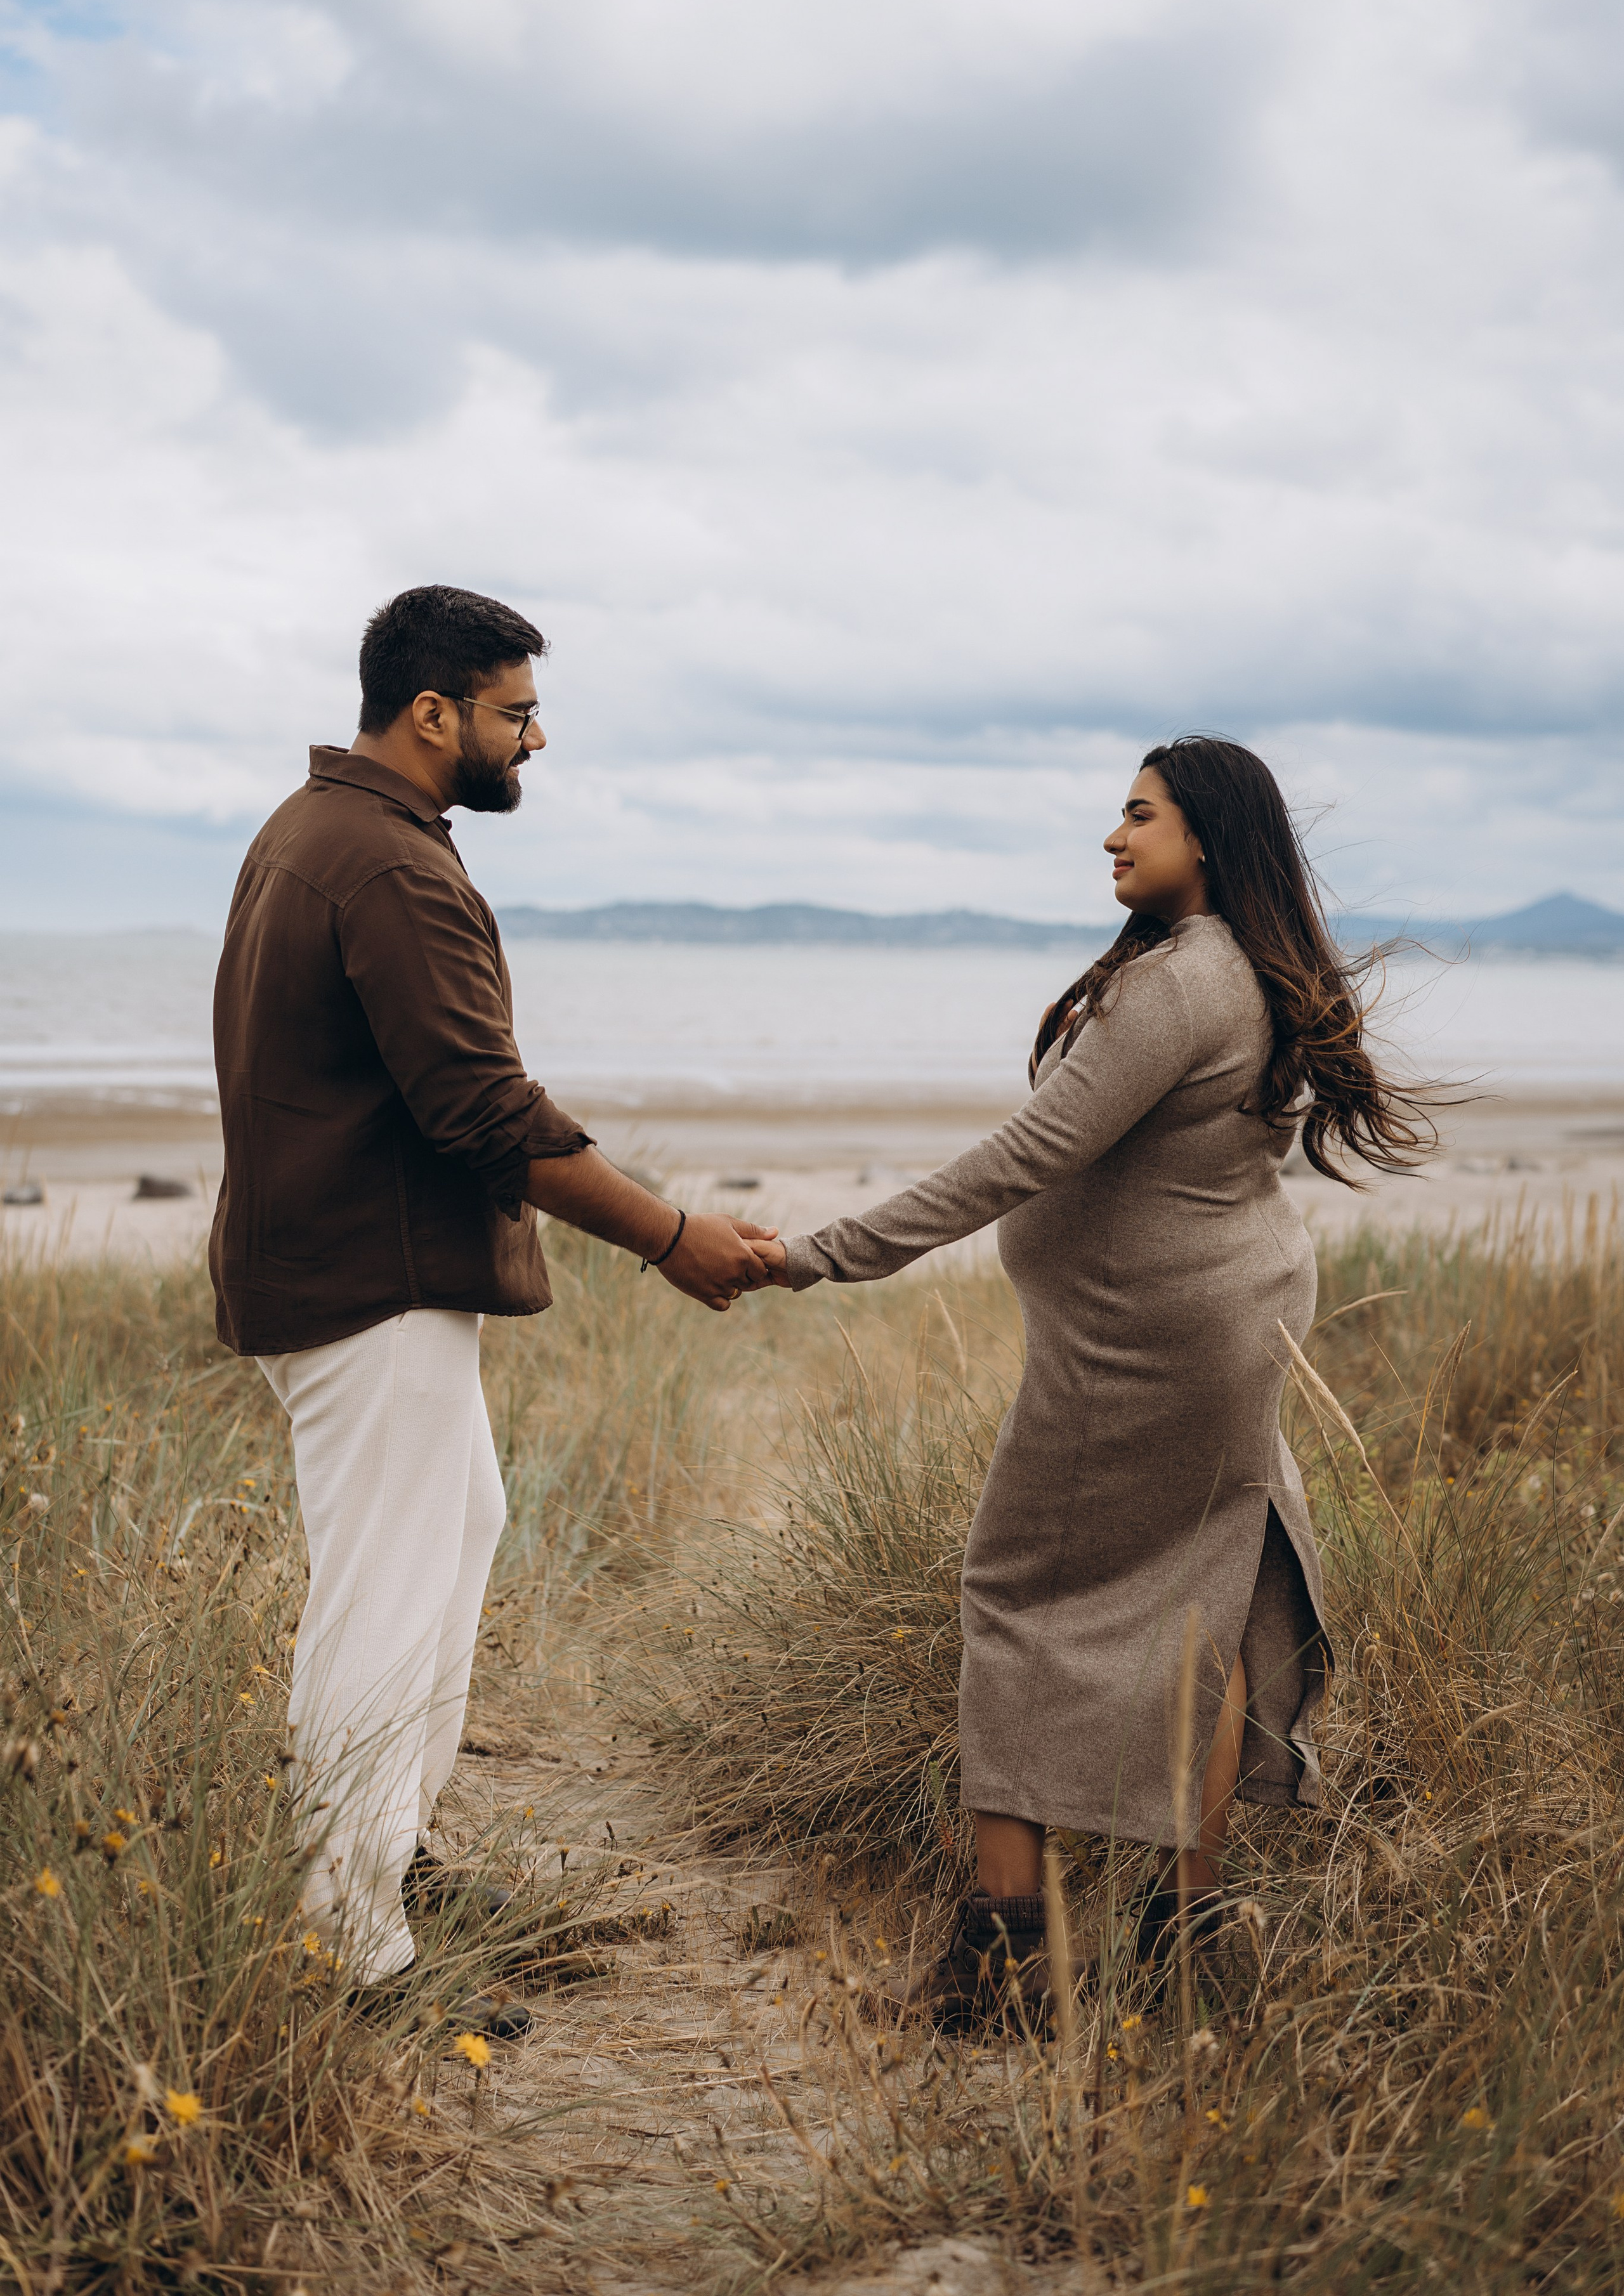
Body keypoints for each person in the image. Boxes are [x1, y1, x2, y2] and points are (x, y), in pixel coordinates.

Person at [756, 735, 1436, 2030]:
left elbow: (1025, 1156)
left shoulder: (1181, 985)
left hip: (1143, 1345)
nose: (1113, 837)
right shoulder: (1247, 970)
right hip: (1224, 1322)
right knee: (1203, 1604)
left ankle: (1006, 1966)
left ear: (1205, 837)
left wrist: (820, 1254)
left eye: (1138, 815)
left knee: (1016, 1596)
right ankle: (1187, 1938)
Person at [210, 584, 775, 2020]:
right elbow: (481, 1110)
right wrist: (669, 1236)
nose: (538, 738)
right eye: (517, 713)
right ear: (432, 712)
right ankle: (352, 1946)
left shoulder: (316, 830)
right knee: (383, 1603)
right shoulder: (384, 864)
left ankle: (389, 1859)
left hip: (348, 1271)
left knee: (456, 1534)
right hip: (371, 1283)